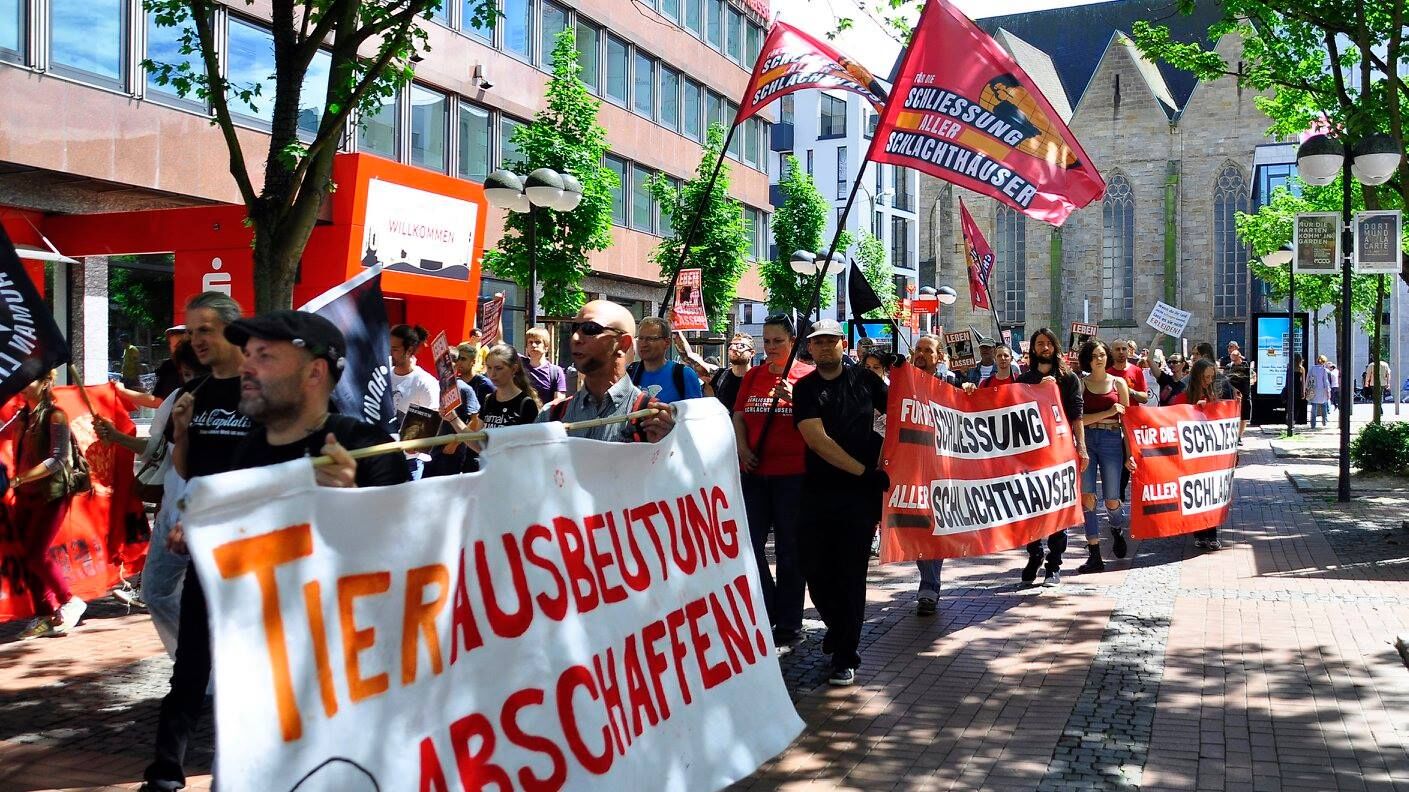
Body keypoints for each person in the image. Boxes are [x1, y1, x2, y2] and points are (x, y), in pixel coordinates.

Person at [141, 291, 255, 792]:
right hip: (206, 548)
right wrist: (183, 433)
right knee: (190, 666)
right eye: (191, 331)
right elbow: (188, 471)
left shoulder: (262, 392)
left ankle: (239, 773)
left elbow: (268, 471)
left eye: (205, 329)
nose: (195, 340)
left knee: (247, 668)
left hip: (253, 553)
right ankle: (165, 774)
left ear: (233, 329)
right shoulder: (199, 393)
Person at [792, 319, 889, 687]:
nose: (825, 347)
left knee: (851, 576)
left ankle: (846, 655)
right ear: (810, 349)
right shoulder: (804, 389)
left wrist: (885, 459)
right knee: (815, 571)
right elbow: (816, 440)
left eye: (831, 340)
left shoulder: (864, 381)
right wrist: (864, 471)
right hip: (817, 492)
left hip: (858, 500)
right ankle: (836, 625)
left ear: (842, 343)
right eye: (818, 342)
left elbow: (903, 411)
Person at [95, 340, 208, 654]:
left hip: (213, 516)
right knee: (156, 593)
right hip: (171, 511)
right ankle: (193, 661)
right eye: (187, 373)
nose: (193, 380)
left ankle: (204, 669)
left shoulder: (241, 400)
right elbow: (156, 451)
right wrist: (116, 436)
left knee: (211, 600)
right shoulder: (174, 400)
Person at [733, 315, 812, 645]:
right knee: (750, 546)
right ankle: (767, 608)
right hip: (755, 475)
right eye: (766, 341)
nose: (771, 347)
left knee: (790, 550)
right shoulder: (753, 376)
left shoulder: (806, 377)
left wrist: (795, 399)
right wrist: (742, 448)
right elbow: (738, 415)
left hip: (794, 477)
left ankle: (790, 622)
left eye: (777, 341)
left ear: (792, 342)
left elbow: (819, 421)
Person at [9, 368, 86, 639]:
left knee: (37, 553)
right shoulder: (21, 417)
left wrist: (20, 478)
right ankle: (45, 614)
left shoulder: (56, 415)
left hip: (52, 494)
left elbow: (58, 459)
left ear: (46, 383)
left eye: (28, 379)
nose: (21, 384)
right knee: (24, 555)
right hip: (25, 495)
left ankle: (69, 601)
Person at [536, 300, 674, 443]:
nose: (575, 338)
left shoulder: (652, 420)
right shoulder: (551, 416)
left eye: (590, 329)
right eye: (574, 328)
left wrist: (665, 446)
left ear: (623, 343)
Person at [1015, 328, 1087, 586]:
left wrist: (1082, 448)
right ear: (1033, 349)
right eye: (1039, 344)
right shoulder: (1023, 378)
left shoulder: (1069, 379)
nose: (1044, 348)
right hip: (1031, 456)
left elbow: (1076, 415)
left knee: (1059, 508)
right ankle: (1034, 554)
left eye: (1048, 343)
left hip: (1060, 453)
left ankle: (1053, 565)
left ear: (1055, 347)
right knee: (1030, 507)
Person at [1076, 339, 1134, 574]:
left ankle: (1116, 528)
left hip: (1112, 441)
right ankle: (1094, 552)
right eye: (1094, 356)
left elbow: (1127, 423)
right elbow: (1077, 421)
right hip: (1088, 440)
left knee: (1111, 498)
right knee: (1088, 497)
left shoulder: (1118, 384)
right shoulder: (1081, 384)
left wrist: (1130, 455)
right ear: (1087, 360)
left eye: (1101, 354)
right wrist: (1108, 411)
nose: (1098, 359)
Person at [1165, 358, 1226, 549]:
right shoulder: (1183, 397)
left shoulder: (1213, 395)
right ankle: (1199, 533)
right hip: (1192, 455)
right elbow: (1172, 419)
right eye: (1205, 377)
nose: (1208, 381)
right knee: (1197, 492)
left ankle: (1212, 532)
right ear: (1197, 377)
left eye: (1211, 377)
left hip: (1210, 455)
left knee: (1212, 491)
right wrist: (1193, 411)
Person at [389, 324, 439, 480]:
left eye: (395, 349)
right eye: (390, 347)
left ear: (409, 350)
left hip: (409, 462)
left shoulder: (425, 382)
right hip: (382, 458)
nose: (390, 353)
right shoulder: (384, 375)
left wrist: (414, 445)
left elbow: (430, 418)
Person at [628, 316, 703, 403]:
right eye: (640, 338)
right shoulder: (629, 372)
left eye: (650, 339)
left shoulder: (684, 375)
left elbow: (695, 413)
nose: (643, 344)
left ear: (667, 343)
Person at [471, 343, 542, 431]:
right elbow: (478, 442)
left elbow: (530, 440)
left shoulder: (526, 403)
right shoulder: (488, 400)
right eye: (489, 368)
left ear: (514, 369)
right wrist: (454, 419)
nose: (492, 374)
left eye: (499, 368)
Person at [711, 333, 754, 413]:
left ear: (752, 353)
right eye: (731, 345)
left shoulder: (758, 377)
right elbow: (690, 357)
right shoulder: (720, 375)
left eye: (741, 345)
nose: (734, 348)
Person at [523, 326, 567, 405]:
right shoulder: (519, 366)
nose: (533, 345)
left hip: (545, 416)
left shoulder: (556, 372)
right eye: (530, 342)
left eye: (537, 342)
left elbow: (559, 401)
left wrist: (543, 411)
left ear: (546, 347)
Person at [1224, 346, 1255, 439]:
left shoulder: (1247, 366)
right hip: (1232, 395)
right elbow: (1224, 380)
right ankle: (1233, 436)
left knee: (1244, 417)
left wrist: (1252, 381)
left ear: (1239, 357)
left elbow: (1253, 377)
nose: (1233, 362)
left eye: (1235, 360)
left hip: (1245, 394)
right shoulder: (1229, 367)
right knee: (1233, 416)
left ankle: (1239, 437)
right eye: (1232, 360)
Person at [151, 325, 190, 399]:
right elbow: (157, 400)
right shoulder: (168, 368)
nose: (180, 350)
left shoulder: (205, 369)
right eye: (175, 346)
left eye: (182, 345)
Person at [456, 341, 496, 407]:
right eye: (457, 359)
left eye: (463, 359)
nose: (459, 362)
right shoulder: (453, 384)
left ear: (473, 362)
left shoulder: (485, 384)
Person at [1308, 354, 1333, 428]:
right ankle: (1324, 421)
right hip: (1322, 390)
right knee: (1324, 406)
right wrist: (1328, 391)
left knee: (1314, 407)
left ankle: (1313, 424)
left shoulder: (1312, 368)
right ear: (1324, 362)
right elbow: (1326, 381)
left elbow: (1308, 378)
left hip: (1313, 390)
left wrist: (1306, 388)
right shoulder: (1324, 370)